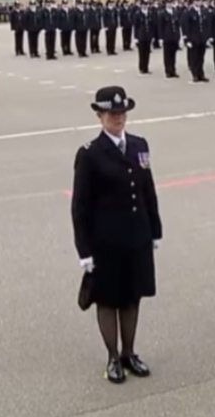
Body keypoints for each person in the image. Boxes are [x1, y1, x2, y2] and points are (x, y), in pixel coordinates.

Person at [70, 86, 163, 384]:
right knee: (109, 300)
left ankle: (129, 352)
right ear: (100, 116)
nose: (118, 118)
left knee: (132, 296)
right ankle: (112, 356)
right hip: (106, 241)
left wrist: (155, 229)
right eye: (112, 113)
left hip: (136, 236)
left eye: (122, 113)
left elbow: (148, 191)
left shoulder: (139, 145)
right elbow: (80, 206)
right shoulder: (90, 154)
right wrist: (84, 251)